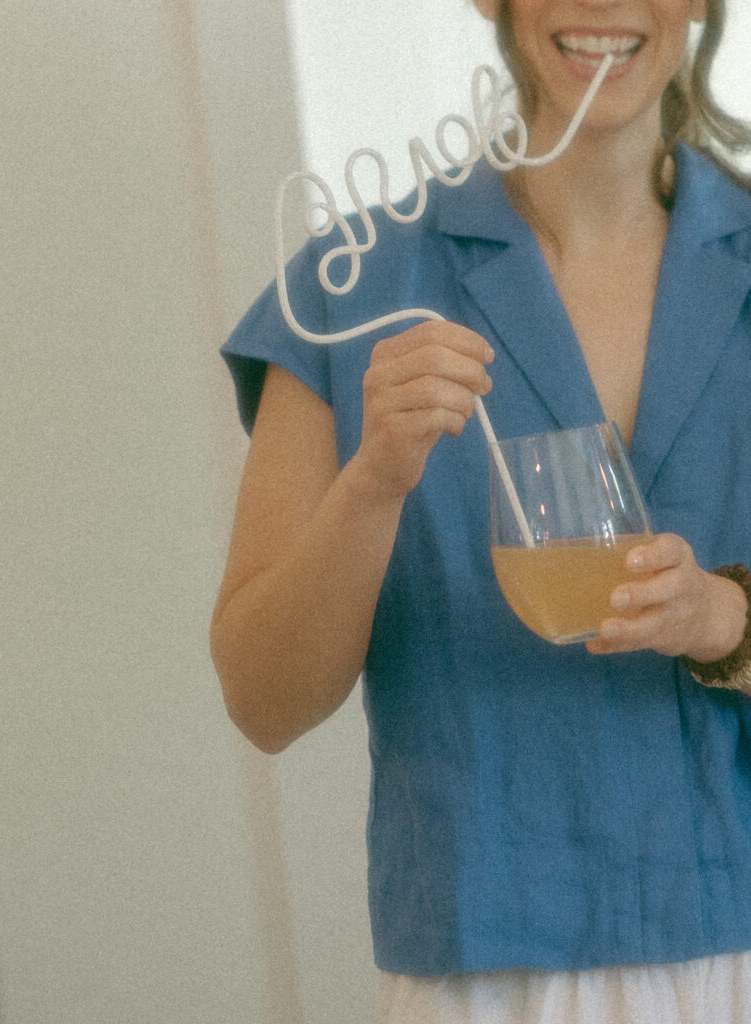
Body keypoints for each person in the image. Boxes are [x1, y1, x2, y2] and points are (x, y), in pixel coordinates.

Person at [210, 0, 751, 1020]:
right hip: (485, 973)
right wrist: (373, 481)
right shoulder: (359, 286)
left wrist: (723, 620)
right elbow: (262, 697)